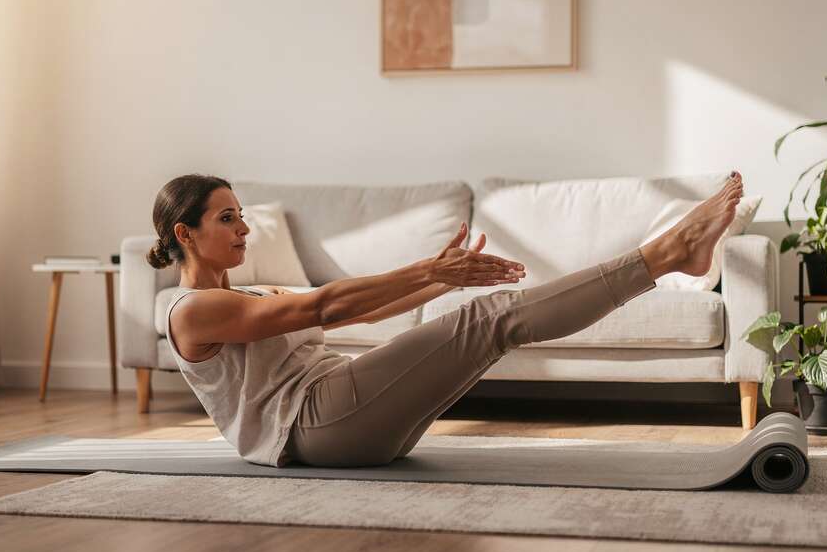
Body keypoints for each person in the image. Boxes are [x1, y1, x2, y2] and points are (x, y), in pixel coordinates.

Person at [146, 172, 745, 468]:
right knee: (493, 319)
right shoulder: (193, 310)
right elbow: (322, 306)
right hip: (314, 427)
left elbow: (371, 310)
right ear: (185, 233)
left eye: (242, 214)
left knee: (488, 324)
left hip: (344, 423)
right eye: (227, 218)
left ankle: (666, 256)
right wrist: (426, 266)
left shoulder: (248, 293)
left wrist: (441, 279)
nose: (243, 227)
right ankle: (667, 255)